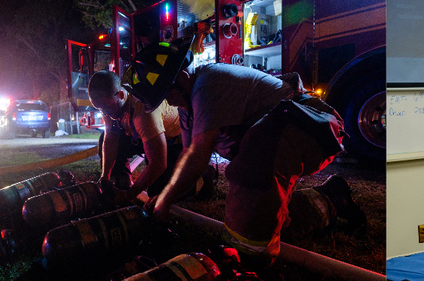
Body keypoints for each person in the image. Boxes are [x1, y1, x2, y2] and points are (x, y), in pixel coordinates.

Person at [126, 29, 347, 268]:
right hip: (280, 138)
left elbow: (198, 155)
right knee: (265, 203)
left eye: (167, 94)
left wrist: (165, 201)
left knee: (249, 185)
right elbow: (187, 155)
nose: (169, 103)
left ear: (182, 77)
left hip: (310, 125)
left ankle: (247, 265)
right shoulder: (188, 105)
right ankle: (330, 199)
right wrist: (166, 194)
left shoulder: (207, 84)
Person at [88, 70, 206, 204]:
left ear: (121, 95)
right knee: (104, 136)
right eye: (99, 109)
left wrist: (129, 196)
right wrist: (105, 176)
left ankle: (201, 180)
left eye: (106, 108)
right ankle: (120, 184)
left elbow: (158, 163)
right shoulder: (110, 105)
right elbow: (110, 137)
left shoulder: (143, 110)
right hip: (142, 135)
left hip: (172, 141)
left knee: (159, 193)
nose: (105, 113)